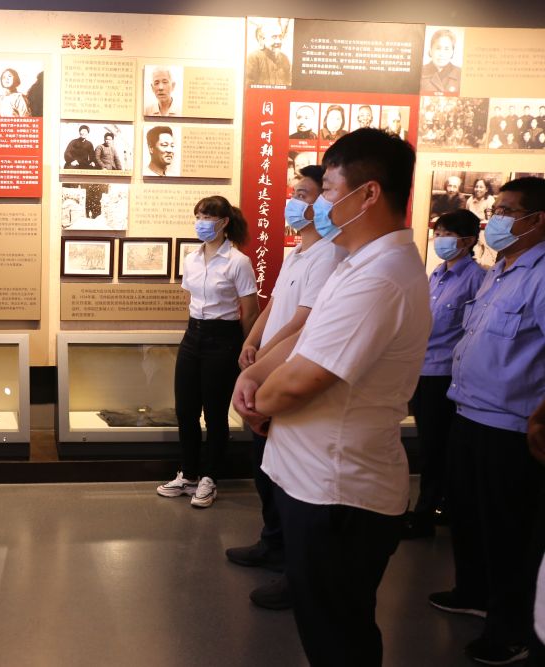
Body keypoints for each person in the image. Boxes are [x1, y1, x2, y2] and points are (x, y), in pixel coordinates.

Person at [232, 128, 430, 666]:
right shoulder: (356, 262)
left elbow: (305, 379)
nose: (318, 204)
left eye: (327, 191)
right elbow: (303, 334)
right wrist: (253, 378)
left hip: (338, 492)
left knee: (338, 637)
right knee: (326, 625)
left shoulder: (381, 277)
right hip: (315, 481)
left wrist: (259, 404)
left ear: (368, 194)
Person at [431, 177, 545, 665]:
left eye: (506, 211)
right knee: (468, 515)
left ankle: (511, 630)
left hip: (511, 427)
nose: (494, 220)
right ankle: (473, 592)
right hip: (468, 412)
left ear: (536, 220)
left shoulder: (541, 275)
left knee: (508, 531)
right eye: (494, 210)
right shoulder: (501, 270)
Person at [226, 165, 346, 610]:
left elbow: (303, 321)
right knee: (265, 464)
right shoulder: (297, 252)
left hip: (287, 370)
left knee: (284, 472)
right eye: (294, 192)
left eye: (307, 193)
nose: (294, 201)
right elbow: (274, 304)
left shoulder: (330, 255)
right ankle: (272, 540)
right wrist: (251, 341)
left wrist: (264, 361)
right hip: (269, 364)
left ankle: (289, 562)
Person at [157, 195, 259, 509]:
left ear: (224, 222)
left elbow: (251, 311)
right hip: (193, 335)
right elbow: (193, 300)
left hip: (224, 338)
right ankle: (188, 473)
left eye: (207, 217)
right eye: (198, 216)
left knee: (215, 413)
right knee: (185, 409)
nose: (201, 223)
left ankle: (210, 477)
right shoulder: (191, 258)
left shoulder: (238, 261)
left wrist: (248, 350)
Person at [402, 210, 484, 540]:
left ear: (467, 240)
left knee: (436, 448)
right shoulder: (437, 273)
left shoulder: (475, 277)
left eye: (448, 234)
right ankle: (438, 506)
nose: (440, 240)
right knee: (429, 443)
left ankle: (427, 514)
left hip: (446, 374)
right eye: (438, 233)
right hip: (423, 368)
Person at [246, 20, 291, 87]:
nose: (279, 41)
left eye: (280, 37)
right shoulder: (254, 58)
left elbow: (289, 85)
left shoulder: (284, 58)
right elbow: (248, 87)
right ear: (262, 39)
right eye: (274, 37)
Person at [420, 29, 461, 95]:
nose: (442, 54)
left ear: (452, 52)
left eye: (446, 49)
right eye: (438, 48)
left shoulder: (460, 75)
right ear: (430, 50)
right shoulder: (419, 73)